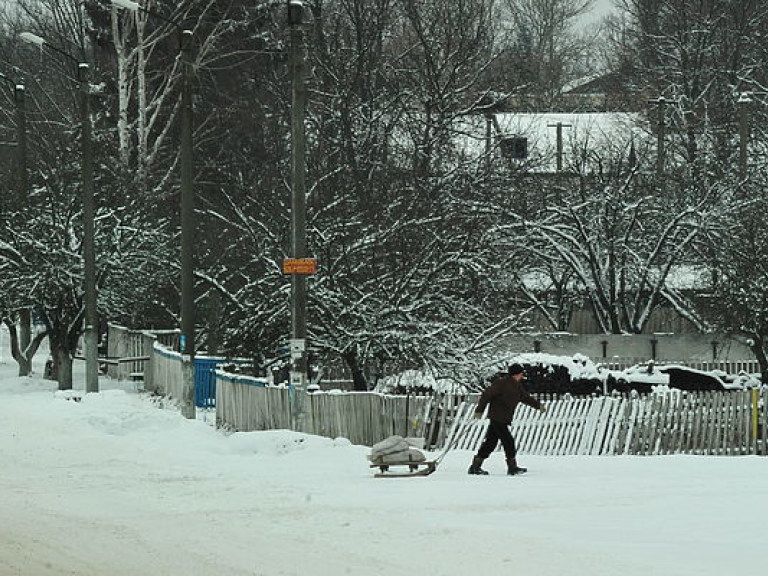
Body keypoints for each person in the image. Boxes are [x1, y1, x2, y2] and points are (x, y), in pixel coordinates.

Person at [468, 363, 547, 476]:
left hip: (504, 418)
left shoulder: (517, 386)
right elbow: (486, 395)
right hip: (497, 417)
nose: (522, 376)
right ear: (516, 374)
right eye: (521, 374)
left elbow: (525, 398)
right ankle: (512, 467)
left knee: (490, 442)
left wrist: (538, 406)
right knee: (508, 441)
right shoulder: (501, 383)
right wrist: (479, 410)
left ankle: (475, 467)